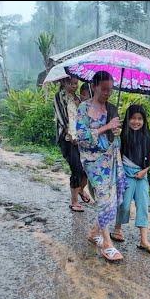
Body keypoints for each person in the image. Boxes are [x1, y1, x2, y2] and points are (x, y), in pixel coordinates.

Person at [75, 71, 127, 262]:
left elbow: (114, 136)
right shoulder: (83, 108)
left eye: (110, 90)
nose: (107, 93)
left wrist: (115, 131)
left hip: (111, 158)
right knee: (104, 198)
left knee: (114, 197)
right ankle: (106, 243)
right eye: (104, 89)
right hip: (92, 161)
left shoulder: (111, 109)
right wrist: (105, 127)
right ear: (94, 86)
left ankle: (93, 232)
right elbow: (81, 137)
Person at [111, 105, 150, 254]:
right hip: (126, 174)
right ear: (127, 119)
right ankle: (117, 229)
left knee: (143, 205)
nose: (136, 122)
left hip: (142, 175)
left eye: (139, 119)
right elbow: (115, 152)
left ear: (144, 120)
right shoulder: (122, 135)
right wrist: (114, 136)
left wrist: (146, 170)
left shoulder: (147, 135)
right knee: (124, 204)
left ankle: (143, 240)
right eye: (132, 118)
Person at [54, 76, 90, 211]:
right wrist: (71, 135)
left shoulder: (77, 98)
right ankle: (74, 201)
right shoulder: (59, 97)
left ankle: (80, 189)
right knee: (76, 169)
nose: (74, 86)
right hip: (67, 139)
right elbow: (62, 119)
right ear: (63, 82)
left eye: (76, 83)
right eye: (71, 83)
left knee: (85, 169)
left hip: (81, 139)